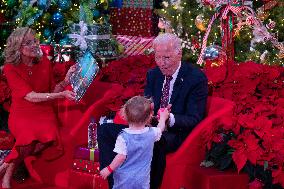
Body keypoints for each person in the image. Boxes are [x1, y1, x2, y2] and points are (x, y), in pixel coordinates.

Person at [97, 33, 208, 189]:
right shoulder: (154, 74)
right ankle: (115, 184)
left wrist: (170, 118)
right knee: (106, 130)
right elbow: (147, 105)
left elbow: (195, 118)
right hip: (148, 127)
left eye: (167, 58)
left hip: (174, 134)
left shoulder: (195, 78)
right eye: (158, 57)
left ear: (179, 54)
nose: (161, 63)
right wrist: (139, 112)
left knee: (152, 141)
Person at [0, 27, 76, 188]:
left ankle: (4, 168)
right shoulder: (10, 68)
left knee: (42, 140)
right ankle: (6, 177)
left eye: (35, 40)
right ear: (18, 48)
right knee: (28, 138)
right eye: (28, 42)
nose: (35, 45)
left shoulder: (44, 62)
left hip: (44, 111)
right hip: (22, 113)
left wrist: (66, 81)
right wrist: (60, 96)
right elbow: (30, 96)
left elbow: (52, 91)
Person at [100, 96, 169, 189]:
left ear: (124, 116)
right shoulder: (152, 133)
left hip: (124, 180)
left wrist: (109, 169)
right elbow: (160, 128)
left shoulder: (123, 137)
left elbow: (120, 157)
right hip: (142, 180)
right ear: (149, 117)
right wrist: (163, 118)